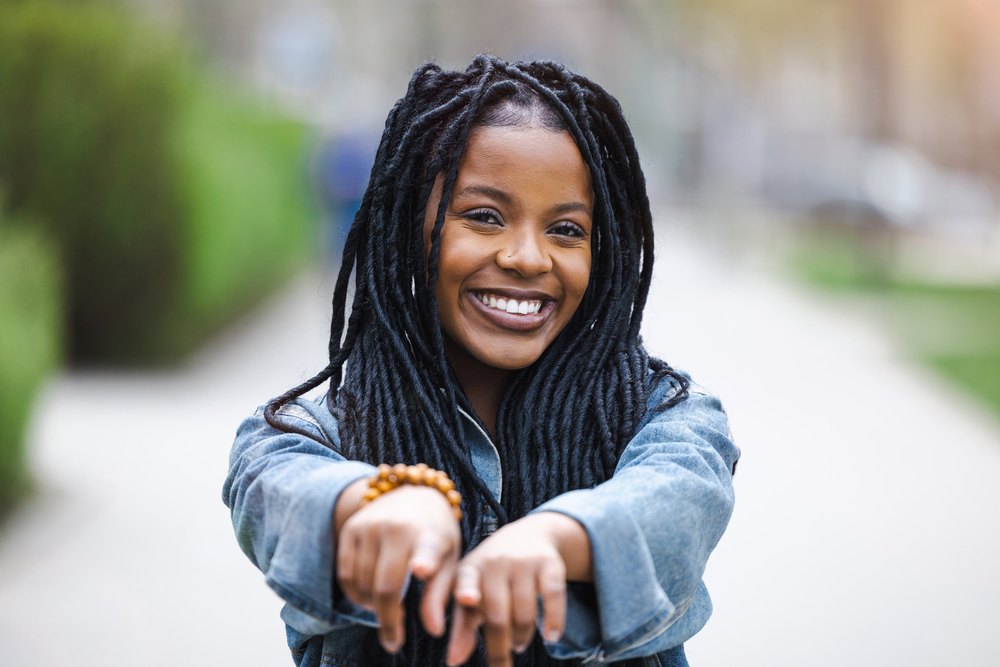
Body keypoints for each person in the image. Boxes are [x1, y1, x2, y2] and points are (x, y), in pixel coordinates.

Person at [223, 55, 739, 667]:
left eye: (567, 230)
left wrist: (554, 541)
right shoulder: (309, 430)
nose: (527, 257)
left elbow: (678, 501)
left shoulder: (669, 418)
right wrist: (376, 502)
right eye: (484, 217)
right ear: (410, 225)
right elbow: (272, 492)